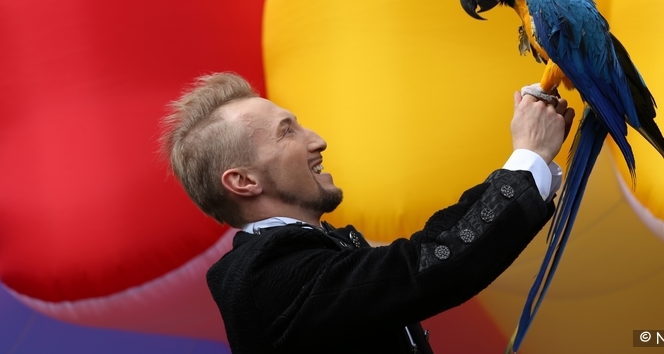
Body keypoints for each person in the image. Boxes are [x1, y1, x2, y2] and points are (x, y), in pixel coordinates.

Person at [161, 72, 575, 354]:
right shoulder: (264, 276)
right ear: (244, 182)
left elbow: (424, 248)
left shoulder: (308, 255)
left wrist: (531, 164)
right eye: (286, 132)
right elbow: (429, 267)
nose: (317, 141)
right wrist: (529, 156)